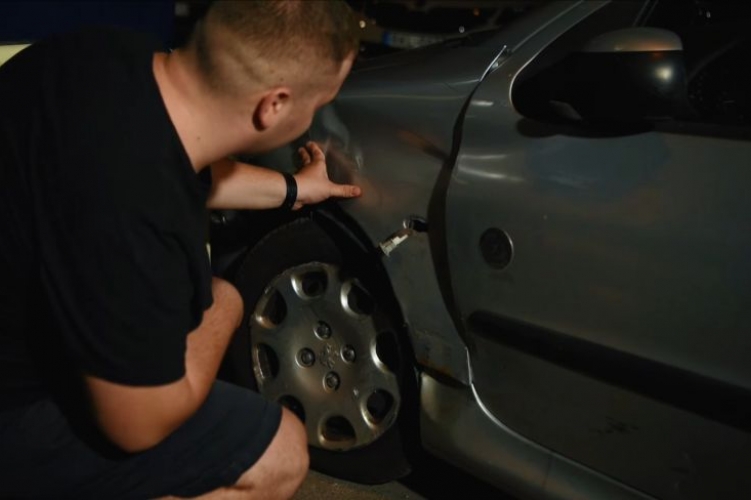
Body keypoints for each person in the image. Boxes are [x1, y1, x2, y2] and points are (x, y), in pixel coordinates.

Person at [0, 1, 360, 498]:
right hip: (16, 409)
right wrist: (223, 309)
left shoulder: (101, 54)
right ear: (274, 105)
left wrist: (294, 189)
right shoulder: (136, 218)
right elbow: (137, 425)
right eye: (317, 103)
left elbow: (181, 161)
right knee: (279, 451)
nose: (312, 117)